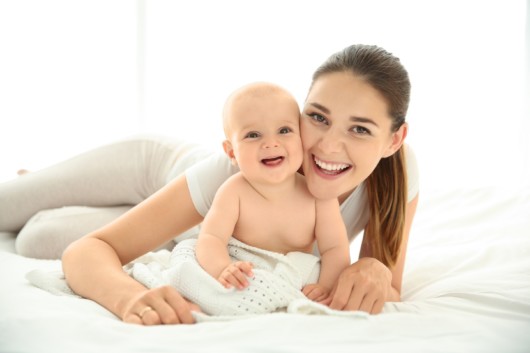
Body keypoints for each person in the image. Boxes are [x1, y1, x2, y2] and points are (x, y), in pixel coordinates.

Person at [0, 44, 419, 325]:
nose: (328, 145)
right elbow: (90, 252)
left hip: (185, 231)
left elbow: (388, 285)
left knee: (38, 238)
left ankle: (109, 211)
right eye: (318, 117)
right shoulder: (236, 172)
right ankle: (43, 181)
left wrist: (375, 268)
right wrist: (128, 298)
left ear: (393, 140)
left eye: (360, 129)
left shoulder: (398, 176)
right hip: (151, 169)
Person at [195, 82, 350, 302]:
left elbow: (335, 249)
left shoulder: (317, 196)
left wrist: (325, 286)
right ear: (231, 151)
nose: (270, 143)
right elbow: (211, 238)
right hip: (246, 275)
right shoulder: (234, 191)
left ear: (301, 137)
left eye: (284, 131)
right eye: (253, 135)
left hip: (292, 277)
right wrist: (224, 268)